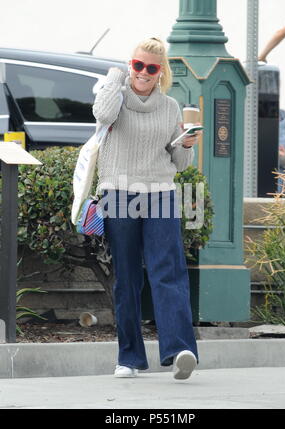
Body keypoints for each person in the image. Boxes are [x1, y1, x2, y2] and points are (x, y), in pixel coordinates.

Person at [92, 37, 200, 380]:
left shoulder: (170, 107)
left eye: (151, 68)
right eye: (137, 65)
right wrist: (113, 77)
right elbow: (103, 114)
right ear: (130, 65)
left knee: (168, 271)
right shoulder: (115, 96)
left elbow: (180, 162)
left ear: (160, 72)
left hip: (161, 193)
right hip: (118, 193)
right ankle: (130, 358)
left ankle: (180, 349)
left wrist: (187, 144)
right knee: (127, 276)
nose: (142, 72)